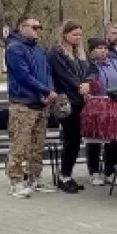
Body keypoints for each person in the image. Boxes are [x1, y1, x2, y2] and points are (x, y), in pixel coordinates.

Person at [3, 17, 56, 198]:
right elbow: (23, 76)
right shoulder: (14, 48)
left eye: (39, 27)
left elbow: (47, 72)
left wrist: (49, 90)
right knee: (20, 145)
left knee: (37, 145)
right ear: (22, 27)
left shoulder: (39, 49)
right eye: (34, 27)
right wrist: (44, 89)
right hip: (23, 103)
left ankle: (35, 178)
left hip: (41, 104)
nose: (37, 30)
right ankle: (16, 181)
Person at [47, 21, 92, 193]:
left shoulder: (80, 52)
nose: (78, 38)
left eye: (80, 34)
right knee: (70, 138)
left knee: (75, 140)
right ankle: (63, 176)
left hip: (81, 100)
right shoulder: (56, 52)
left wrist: (88, 83)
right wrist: (79, 86)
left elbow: (90, 70)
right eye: (74, 34)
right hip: (66, 100)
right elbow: (63, 74)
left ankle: (67, 173)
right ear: (65, 34)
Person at [85, 36, 117, 186]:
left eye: (105, 48)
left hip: (116, 105)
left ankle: (109, 172)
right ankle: (94, 172)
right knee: (94, 140)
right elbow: (87, 82)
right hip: (96, 105)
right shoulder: (89, 65)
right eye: (99, 48)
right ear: (91, 51)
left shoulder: (115, 63)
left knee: (114, 139)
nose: (103, 51)